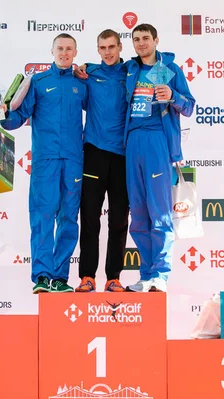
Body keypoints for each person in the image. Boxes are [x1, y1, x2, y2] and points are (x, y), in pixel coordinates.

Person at [0, 34, 88, 293]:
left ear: (75, 52)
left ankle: (60, 277)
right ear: (52, 51)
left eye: (69, 49)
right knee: (43, 216)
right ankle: (42, 276)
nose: (64, 53)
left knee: (68, 218)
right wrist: (2, 113)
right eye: (60, 49)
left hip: (74, 160)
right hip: (45, 160)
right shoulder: (39, 82)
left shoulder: (82, 83)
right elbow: (17, 118)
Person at [123, 23, 196, 292]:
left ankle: (161, 275)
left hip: (156, 141)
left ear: (156, 40)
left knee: (160, 213)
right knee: (139, 215)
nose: (141, 43)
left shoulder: (170, 70)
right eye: (136, 39)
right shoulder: (129, 69)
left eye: (145, 38)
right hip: (131, 141)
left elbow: (189, 106)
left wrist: (173, 96)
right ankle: (146, 276)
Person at [74, 30, 129, 293]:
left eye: (111, 47)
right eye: (102, 47)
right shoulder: (90, 74)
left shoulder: (132, 72)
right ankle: (87, 276)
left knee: (119, 220)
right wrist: (80, 69)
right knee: (90, 219)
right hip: (94, 153)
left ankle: (113, 277)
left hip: (122, 156)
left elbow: (159, 63)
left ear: (120, 47)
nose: (107, 52)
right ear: (97, 50)